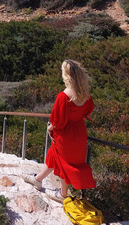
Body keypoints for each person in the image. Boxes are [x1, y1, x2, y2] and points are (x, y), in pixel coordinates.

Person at [22, 59, 96, 203]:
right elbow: (88, 110)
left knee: (64, 161)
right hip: (79, 132)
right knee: (56, 155)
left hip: (66, 133)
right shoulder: (85, 94)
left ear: (66, 75)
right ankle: (38, 179)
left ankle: (63, 195)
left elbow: (57, 121)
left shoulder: (64, 96)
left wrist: (50, 127)